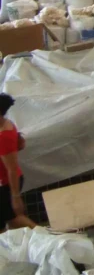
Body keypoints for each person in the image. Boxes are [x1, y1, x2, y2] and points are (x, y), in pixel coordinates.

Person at [0, 94, 35, 230]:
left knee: (15, 220)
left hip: (6, 185)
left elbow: (12, 169)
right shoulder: (5, 123)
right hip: (5, 183)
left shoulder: (4, 136)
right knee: (10, 221)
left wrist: (15, 196)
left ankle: (49, 240)